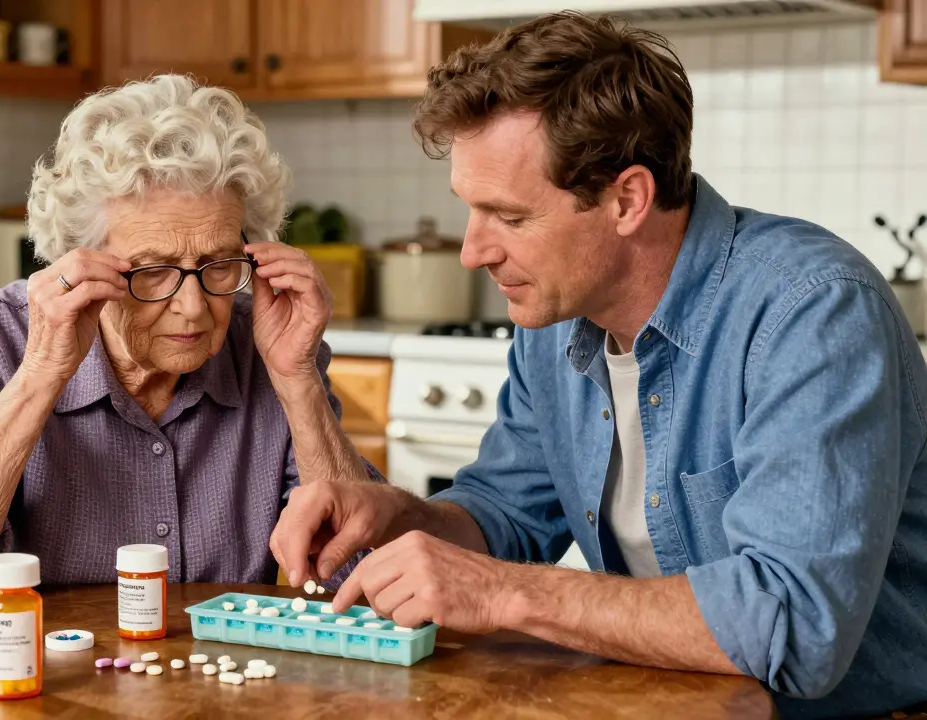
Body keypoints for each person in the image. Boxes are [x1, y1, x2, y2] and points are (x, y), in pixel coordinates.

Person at [270, 12, 927, 719]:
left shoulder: (812, 313)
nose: (472, 252)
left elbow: (795, 628)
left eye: (510, 217)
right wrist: (402, 519)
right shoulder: (554, 320)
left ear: (627, 199)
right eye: (470, 211)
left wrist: (498, 591)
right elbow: (505, 516)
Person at [0, 74, 380, 602]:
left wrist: (297, 381)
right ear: (83, 262)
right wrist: (42, 374)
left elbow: (363, 576)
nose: (194, 306)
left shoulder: (267, 344)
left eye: (217, 264)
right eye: (153, 270)